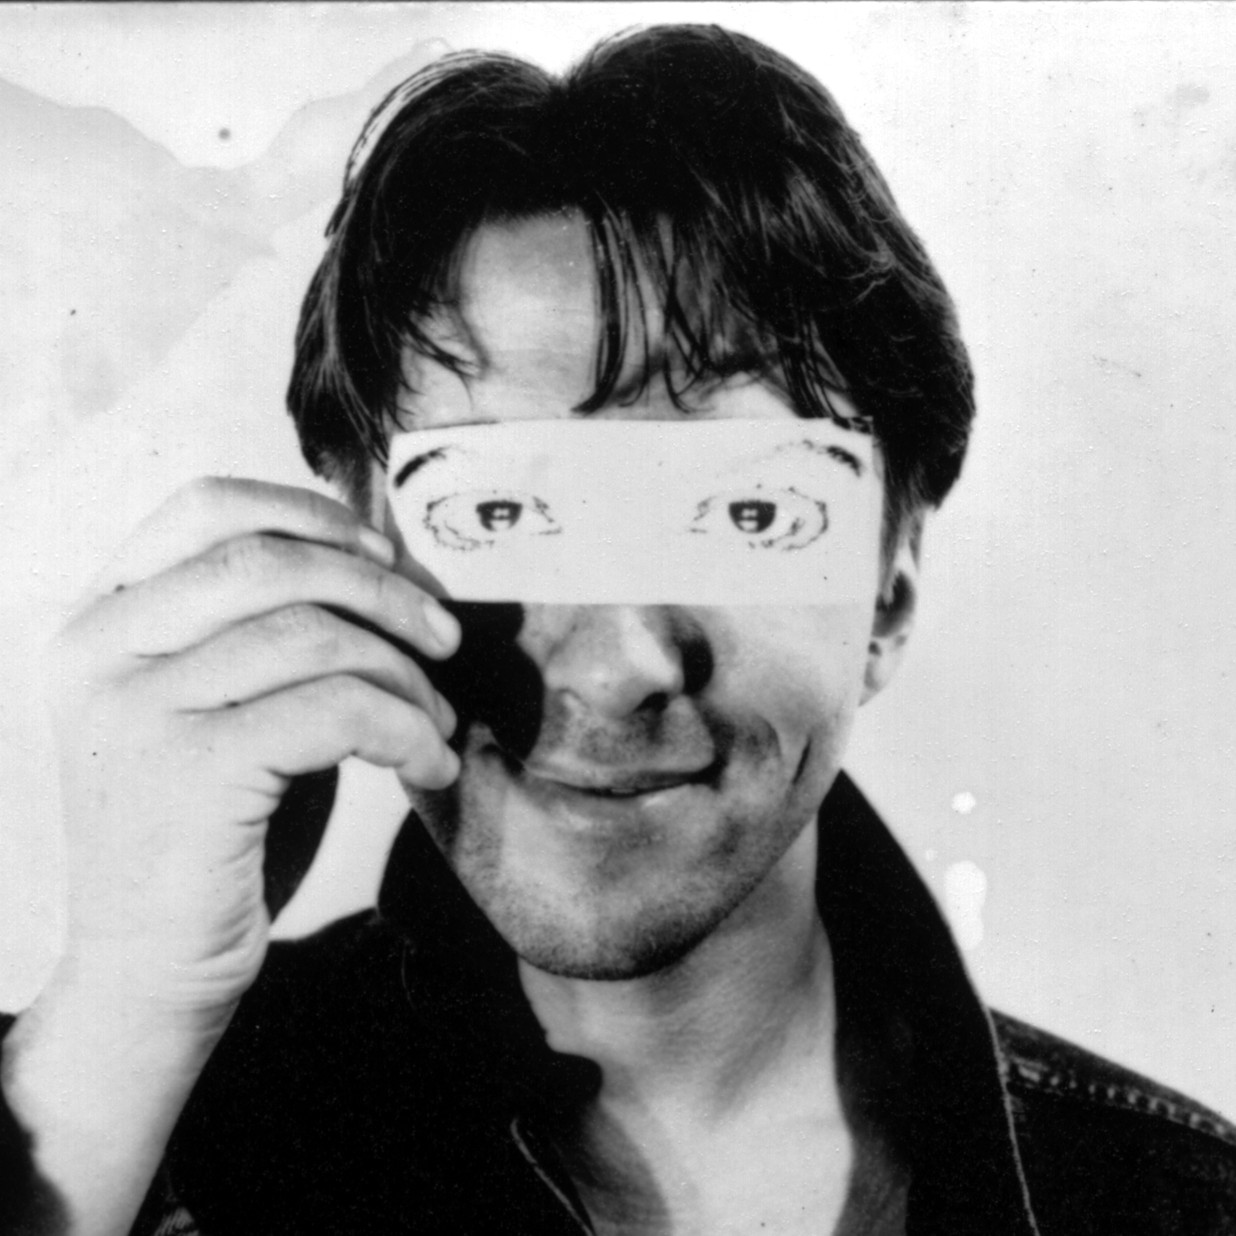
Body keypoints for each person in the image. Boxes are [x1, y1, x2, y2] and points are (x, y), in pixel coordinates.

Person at [3, 24, 1235, 1236]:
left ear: (890, 597)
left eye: (752, 513)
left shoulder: (1180, 1205)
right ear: (348, 553)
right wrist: (124, 1011)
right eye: (499, 512)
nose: (620, 664)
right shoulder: (122, 1119)